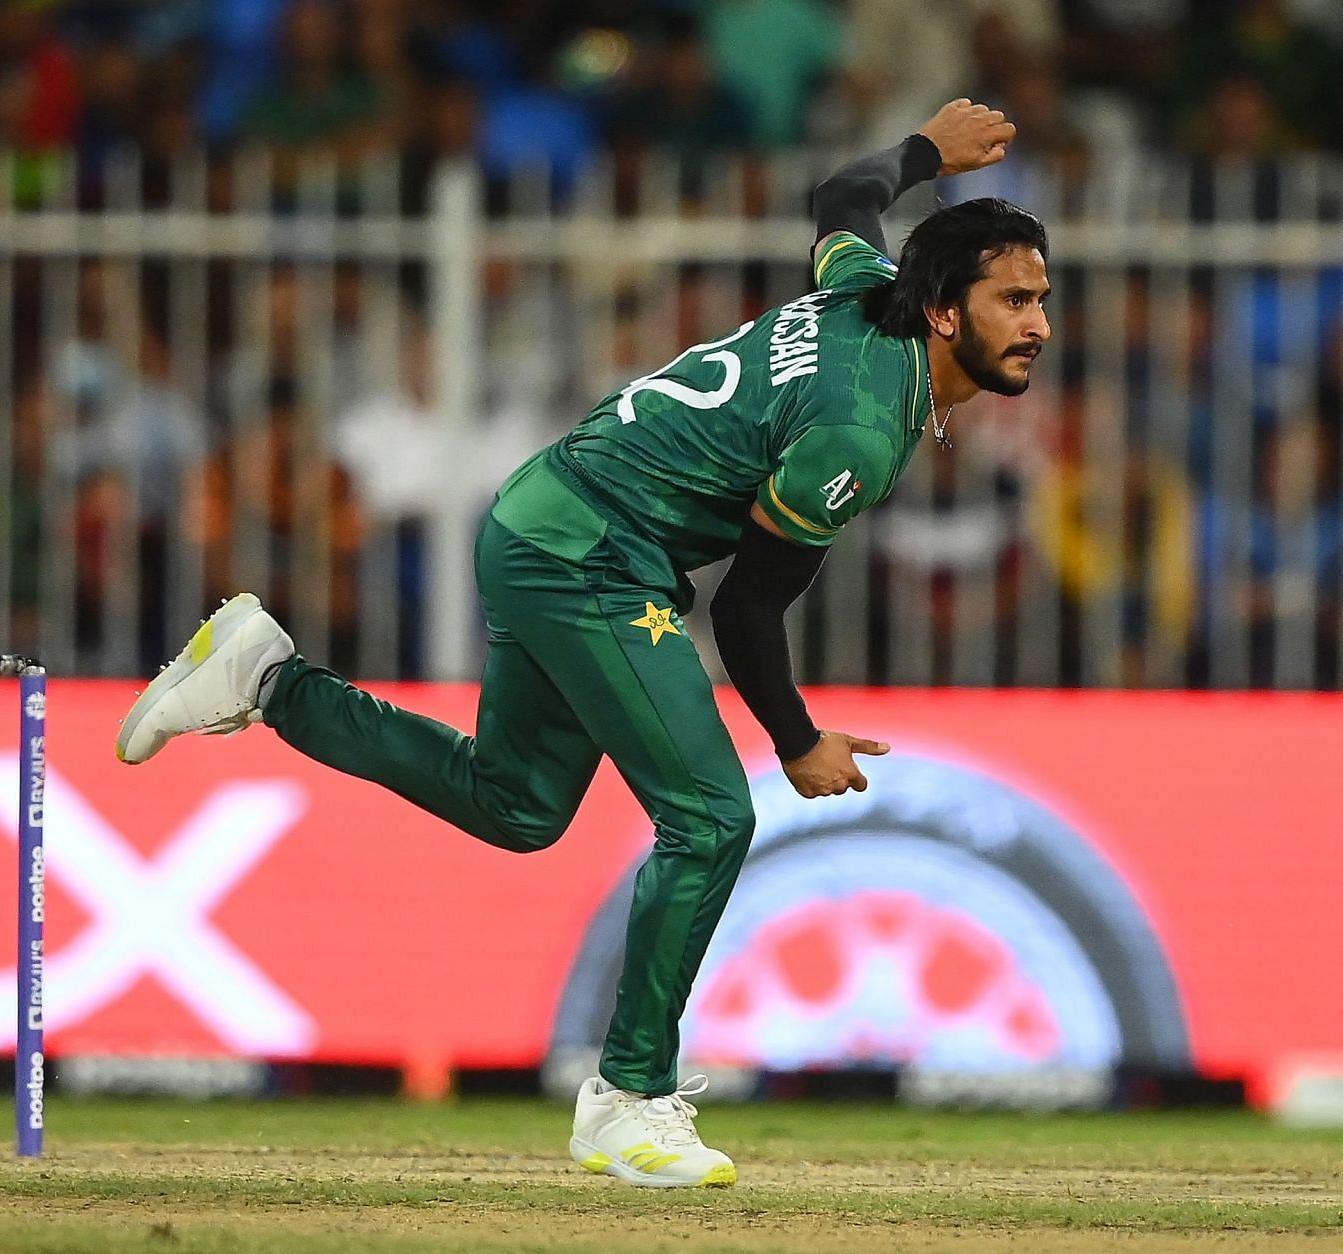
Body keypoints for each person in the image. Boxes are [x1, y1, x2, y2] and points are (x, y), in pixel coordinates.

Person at [114, 99, 1046, 1189]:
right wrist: (795, 739)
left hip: (546, 516)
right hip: (588, 553)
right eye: (1013, 299)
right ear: (942, 311)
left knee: (516, 806)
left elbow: (845, 198)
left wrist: (925, 152)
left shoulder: (857, 291)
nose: (1036, 323)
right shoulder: (860, 429)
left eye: (1040, 299)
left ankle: (267, 677)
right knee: (708, 818)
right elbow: (747, 611)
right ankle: (630, 1101)